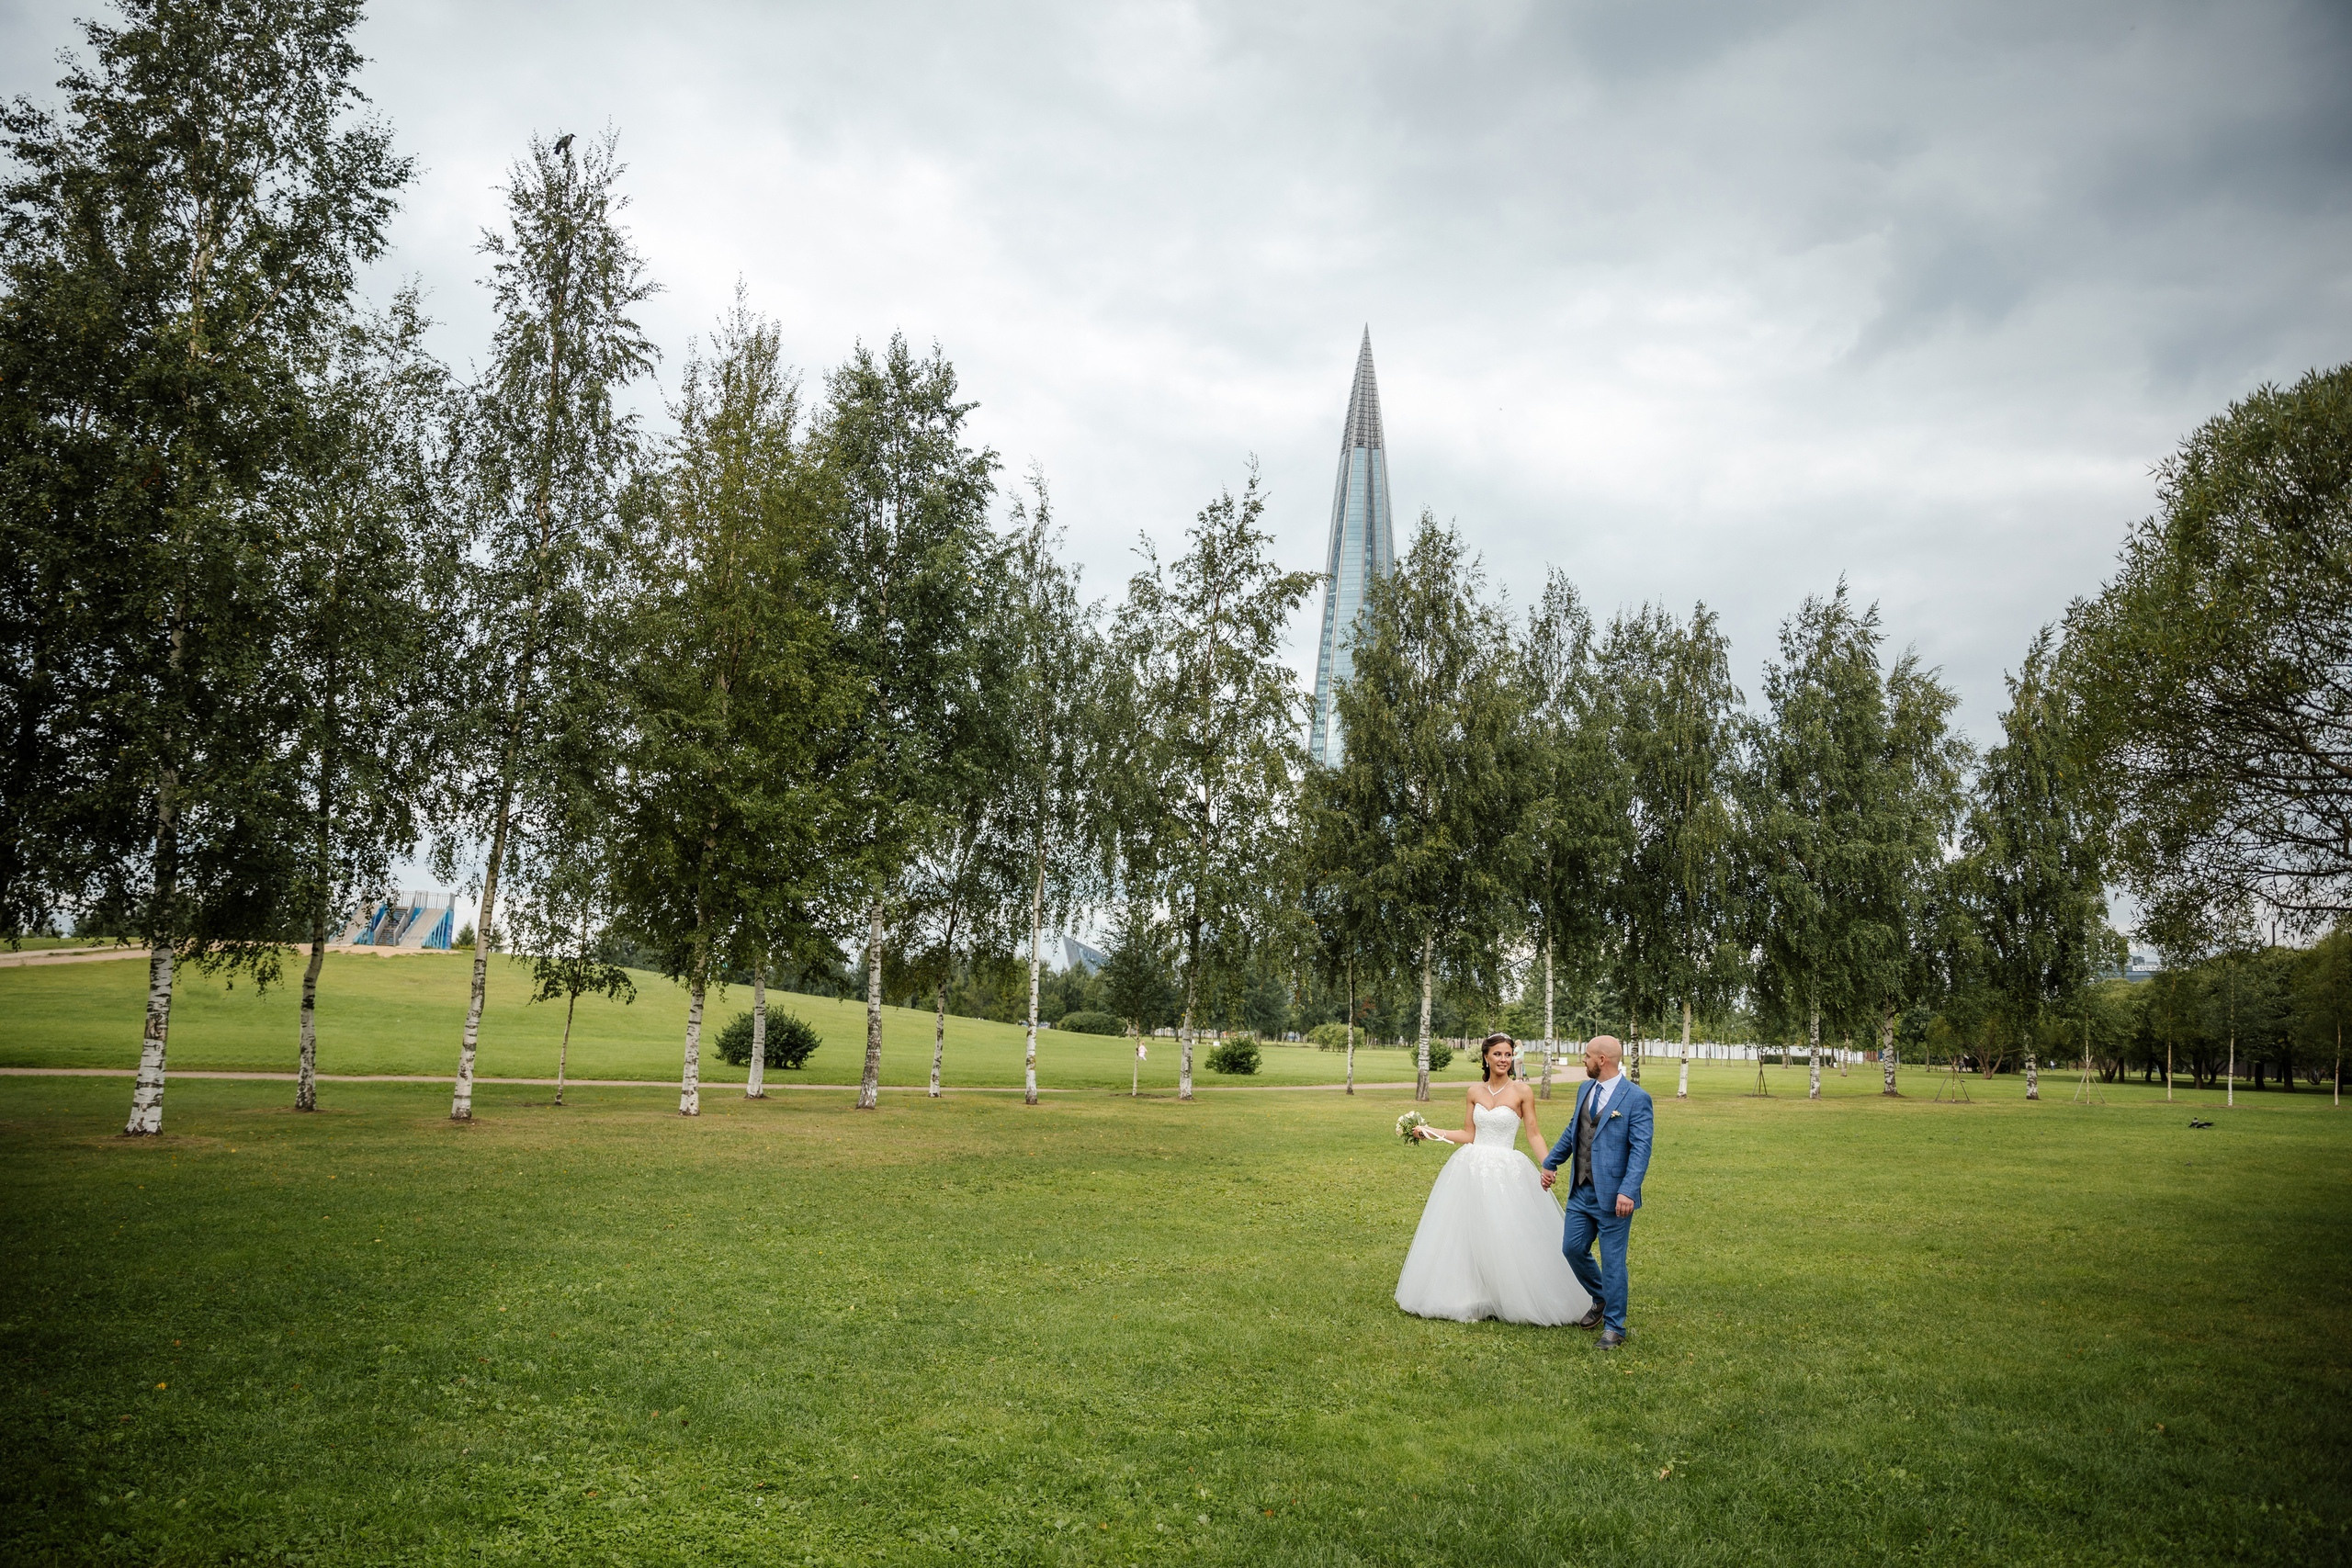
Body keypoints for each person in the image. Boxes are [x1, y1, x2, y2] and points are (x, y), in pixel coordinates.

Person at [1394, 1033, 1594, 1325]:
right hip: (1470, 1168)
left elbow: (1534, 1133)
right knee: (1468, 1231)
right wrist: (1431, 1131)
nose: (1503, 1059)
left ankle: (1513, 1294)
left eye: (1508, 1054)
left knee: (1507, 1230)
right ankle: (1471, 1294)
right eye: (1498, 1054)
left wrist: (1548, 1164)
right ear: (1486, 1057)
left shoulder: (1522, 1091)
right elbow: (1469, 1134)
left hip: (1506, 1170)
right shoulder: (1474, 1091)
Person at [1539, 1035, 1653, 1349]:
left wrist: (1628, 1190)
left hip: (1615, 1197)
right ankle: (1601, 1297)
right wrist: (1551, 1162)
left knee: (1614, 1262)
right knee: (1572, 1248)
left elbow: (1641, 1149)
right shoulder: (1585, 1089)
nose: (1584, 1060)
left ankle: (1615, 1327)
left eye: (1587, 1055)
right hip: (1581, 1190)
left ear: (1602, 1060)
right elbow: (1574, 1130)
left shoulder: (1636, 1098)